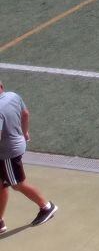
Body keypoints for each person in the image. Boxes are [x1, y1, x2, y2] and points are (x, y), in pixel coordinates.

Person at [0, 81, 58, 234]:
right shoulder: (13, 96)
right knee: (1, 184)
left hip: (7, 153)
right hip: (17, 143)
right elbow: (25, 114)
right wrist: (25, 133)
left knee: (17, 184)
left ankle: (46, 207)